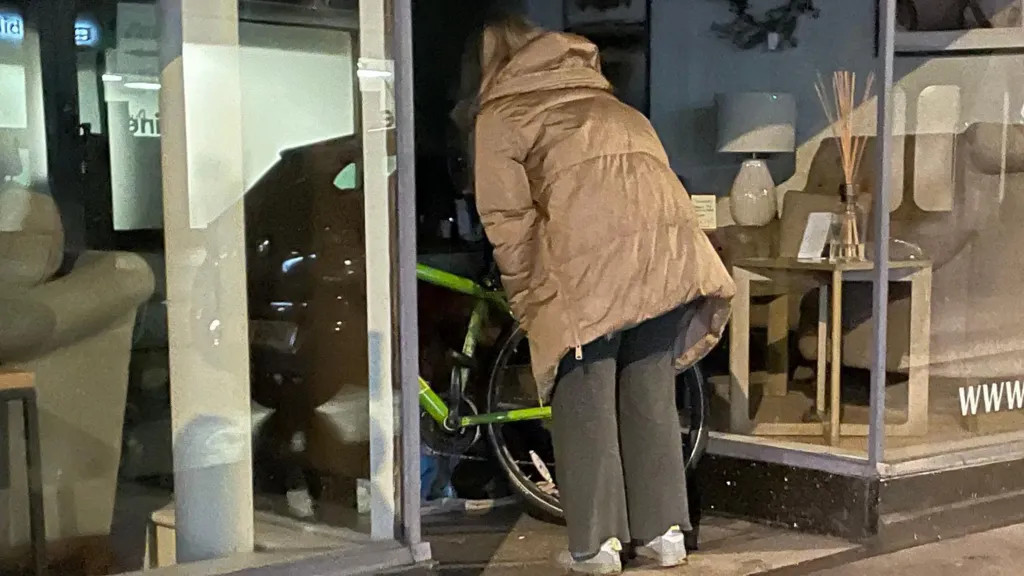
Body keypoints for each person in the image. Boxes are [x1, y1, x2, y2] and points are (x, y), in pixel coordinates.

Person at [455, 6, 736, 574]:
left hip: (590, 268)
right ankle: (665, 535)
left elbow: (507, 223)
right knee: (649, 391)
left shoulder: (502, 115)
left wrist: (531, 296)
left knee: (583, 397)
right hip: (667, 261)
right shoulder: (614, 106)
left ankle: (597, 547)